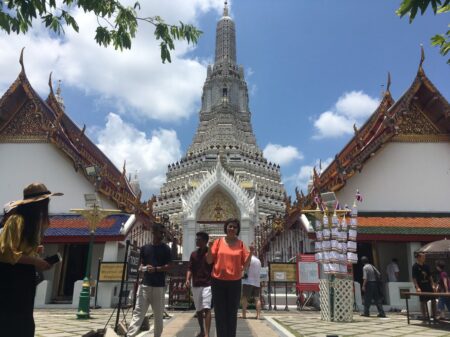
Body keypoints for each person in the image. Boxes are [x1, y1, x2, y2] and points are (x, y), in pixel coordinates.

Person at [0, 183, 62, 337]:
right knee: (11, 317)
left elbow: (21, 251)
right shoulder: (16, 220)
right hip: (11, 275)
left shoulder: (32, 223)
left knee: (24, 316)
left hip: (25, 275)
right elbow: (6, 253)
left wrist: (35, 255)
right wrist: (35, 261)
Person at [206, 218, 254, 337]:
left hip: (234, 282)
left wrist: (251, 252)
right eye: (230, 226)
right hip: (218, 281)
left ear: (237, 230)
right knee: (220, 312)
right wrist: (209, 247)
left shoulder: (241, 244)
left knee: (232, 313)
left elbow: (246, 264)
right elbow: (209, 260)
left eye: (234, 227)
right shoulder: (218, 242)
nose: (232, 229)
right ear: (226, 228)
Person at [127, 223, 172, 337]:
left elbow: (170, 266)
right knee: (138, 312)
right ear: (153, 232)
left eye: (163, 233)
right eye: (160, 232)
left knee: (158, 315)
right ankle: (130, 335)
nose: (162, 235)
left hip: (158, 286)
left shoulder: (166, 249)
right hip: (145, 285)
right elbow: (140, 263)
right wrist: (141, 268)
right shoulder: (145, 248)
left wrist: (156, 269)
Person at [186, 231, 213, 337]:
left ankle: (207, 334)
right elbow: (189, 268)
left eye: (199, 239)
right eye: (196, 239)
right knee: (198, 310)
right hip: (196, 284)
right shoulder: (193, 254)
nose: (197, 241)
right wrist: (187, 279)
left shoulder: (209, 253)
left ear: (205, 241)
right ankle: (202, 330)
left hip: (207, 284)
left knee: (207, 308)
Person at [412, 252, 436, 320]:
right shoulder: (415, 266)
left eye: (424, 257)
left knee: (433, 300)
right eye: (423, 257)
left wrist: (433, 285)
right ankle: (424, 316)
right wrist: (417, 287)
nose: (424, 258)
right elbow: (414, 278)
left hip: (428, 285)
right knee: (423, 301)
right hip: (421, 285)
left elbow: (430, 276)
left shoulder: (426, 266)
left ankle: (434, 315)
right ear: (419, 258)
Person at [241, 255, 262, 319]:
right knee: (257, 298)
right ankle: (258, 315)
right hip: (257, 282)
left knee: (245, 298)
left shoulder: (249, 258)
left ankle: (244, 315)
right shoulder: (258, 261)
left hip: (248, 281)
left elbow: (245, 268)